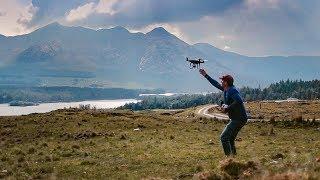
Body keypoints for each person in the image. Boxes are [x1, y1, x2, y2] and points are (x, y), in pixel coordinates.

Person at [199, 69, 247, 156]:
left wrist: (227, 109)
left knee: (224, 137)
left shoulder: (232, 90)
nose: (221, 82)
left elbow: (239, 101)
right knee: (230, 139)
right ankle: (234, 159)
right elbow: (215, 84)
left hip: (238, 119)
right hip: (240, 118)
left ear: (226, 82)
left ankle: (229, 160)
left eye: (222, 80)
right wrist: (206, 75)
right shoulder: (226, 89)